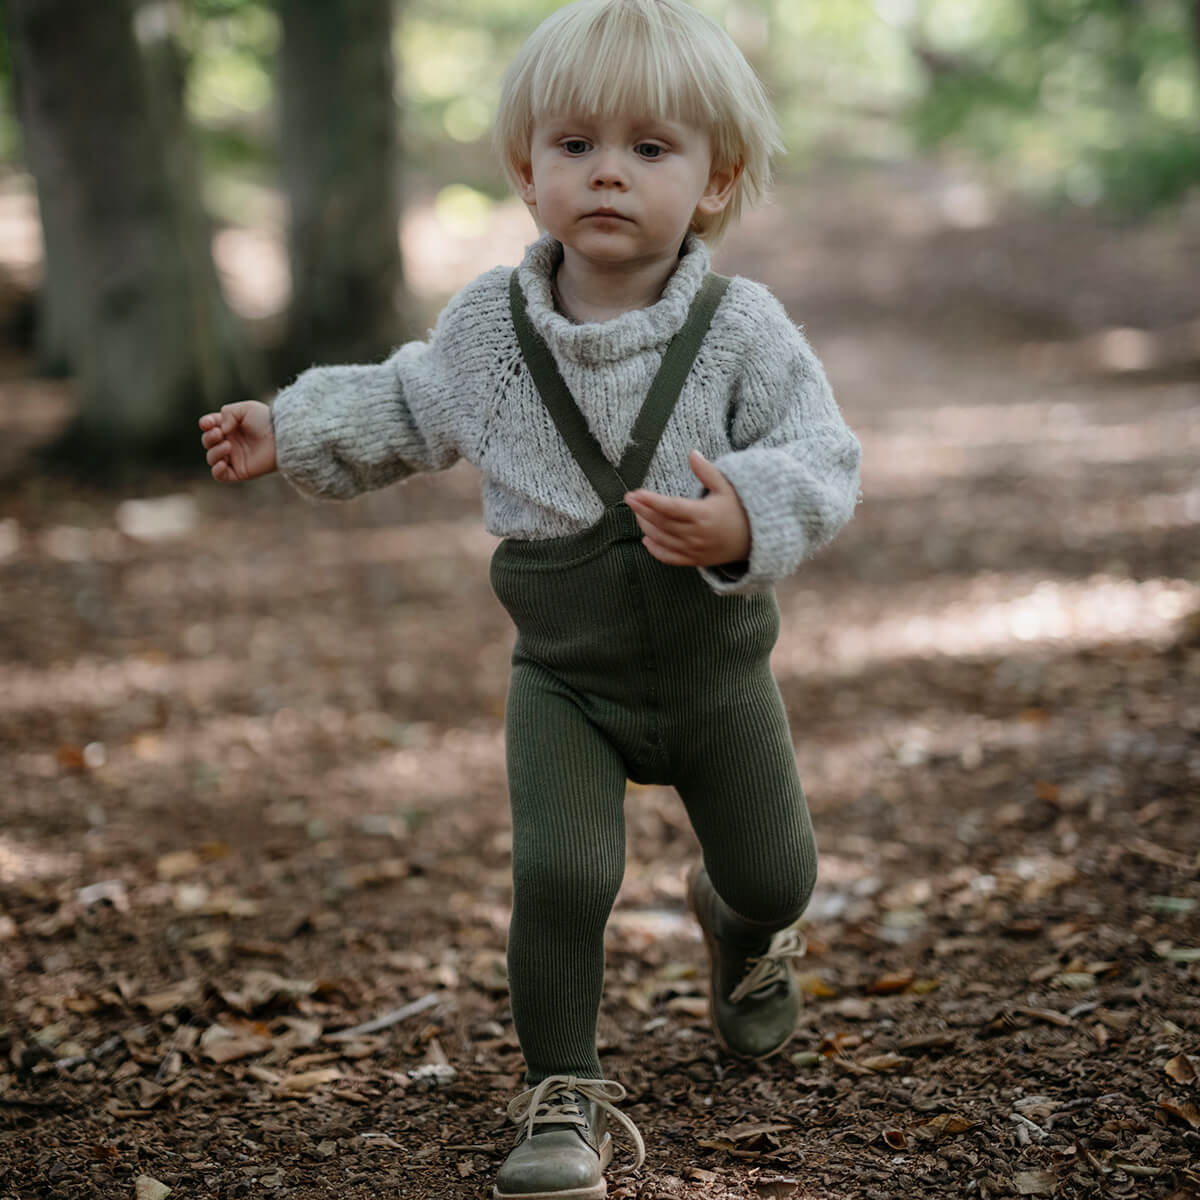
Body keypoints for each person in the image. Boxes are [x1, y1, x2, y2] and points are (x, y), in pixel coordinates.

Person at [200, 0, 861, 1194]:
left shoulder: (742, 332)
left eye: (649, 148)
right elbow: (408, 403)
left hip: (713, 670)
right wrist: (289, 426)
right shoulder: (490, 331)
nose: (608, 172)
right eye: (575, 145)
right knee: (561, 876)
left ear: (715, 181)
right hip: (565, 677)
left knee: (778, 874)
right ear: (526, 171)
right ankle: (563, 1094)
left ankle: (741, 927)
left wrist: (747, 514)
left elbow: (824, 455)